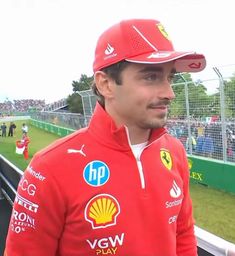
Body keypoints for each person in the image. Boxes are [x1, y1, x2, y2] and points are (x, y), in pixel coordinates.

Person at [5, 18, 206, 256]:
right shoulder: (49, 168)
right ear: (106, 84)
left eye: (169, 77)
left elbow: (182, 235)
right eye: (151, 77)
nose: (169, 93)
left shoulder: (174, 151)